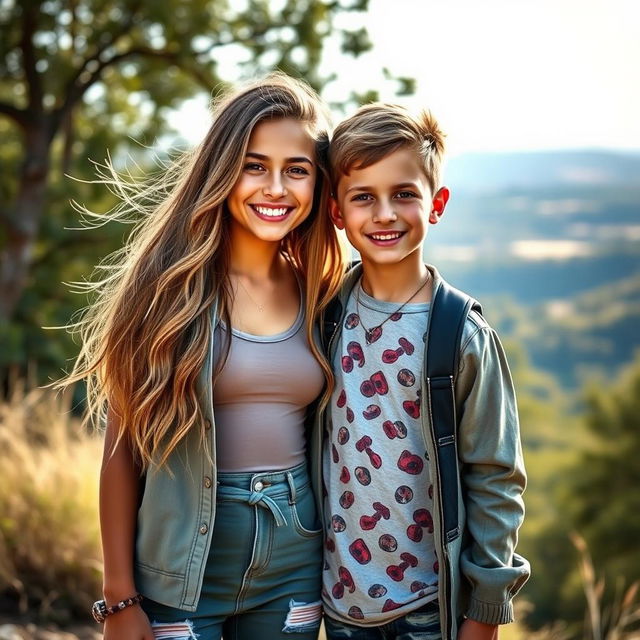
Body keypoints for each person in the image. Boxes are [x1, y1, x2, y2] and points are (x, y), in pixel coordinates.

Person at [59, 74, 347, 640]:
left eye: (297, 169)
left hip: (294, 562)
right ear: (221, 169)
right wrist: (118, 599)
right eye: (254, 164)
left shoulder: (322, 292)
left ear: (318, 183)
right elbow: (122, 452)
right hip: (182, 568)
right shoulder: (168, 290)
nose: (276, 187)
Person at [312, 103, 530, 640]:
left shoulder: (461, 334)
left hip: (430, 609)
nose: (384, 213)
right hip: (340, 607)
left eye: (403, 194)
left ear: (436, 204)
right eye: (363, 197)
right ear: (338, 213)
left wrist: (484, 612)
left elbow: (496, 478)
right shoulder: (324, 315)